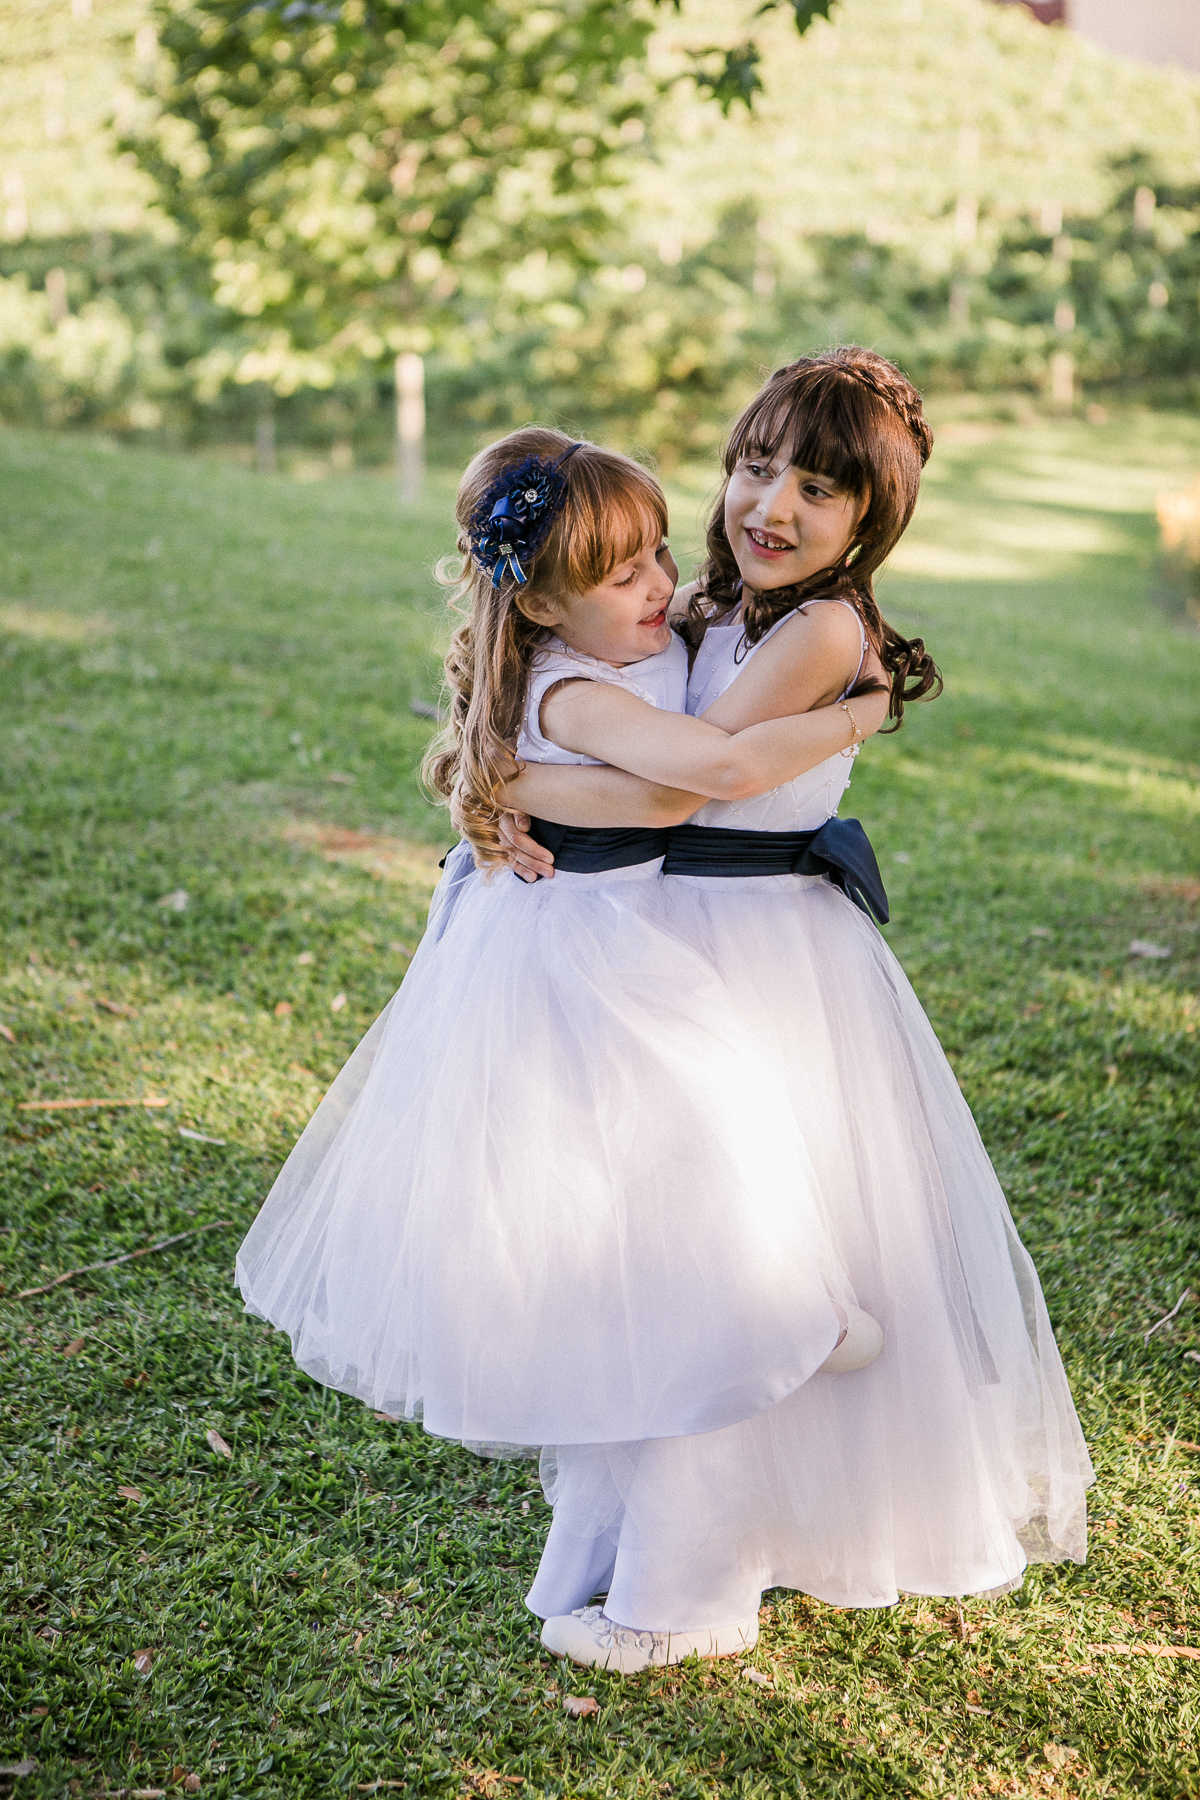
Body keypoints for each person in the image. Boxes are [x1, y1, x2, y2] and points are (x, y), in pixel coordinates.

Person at [235, 424, 897, 1653]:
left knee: (698, 1149)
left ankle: (798, 1321)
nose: (660, 585)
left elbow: (663, 697)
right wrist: (860, 713)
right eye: (623, 571)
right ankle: (804, 1312)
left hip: (619, 933)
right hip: (577, 951)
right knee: (683, 1157)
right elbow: (688, 780)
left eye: (657, 555)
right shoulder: (573, 682)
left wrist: (491, 772)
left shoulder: (641, 630)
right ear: (539, 601)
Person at [489, 351, 1093, 1674]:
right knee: (663, 1261)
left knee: (719, 1272)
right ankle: (651, 1541)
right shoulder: (693, 603)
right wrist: (489, 783)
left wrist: (503, 781)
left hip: (765, 959)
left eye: (819, 489)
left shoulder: (823, 632)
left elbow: (685, 787)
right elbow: (592, 714)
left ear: (870, 519)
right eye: (758, 467)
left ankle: (684, 1596)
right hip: (672, 949)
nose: (774, 505)